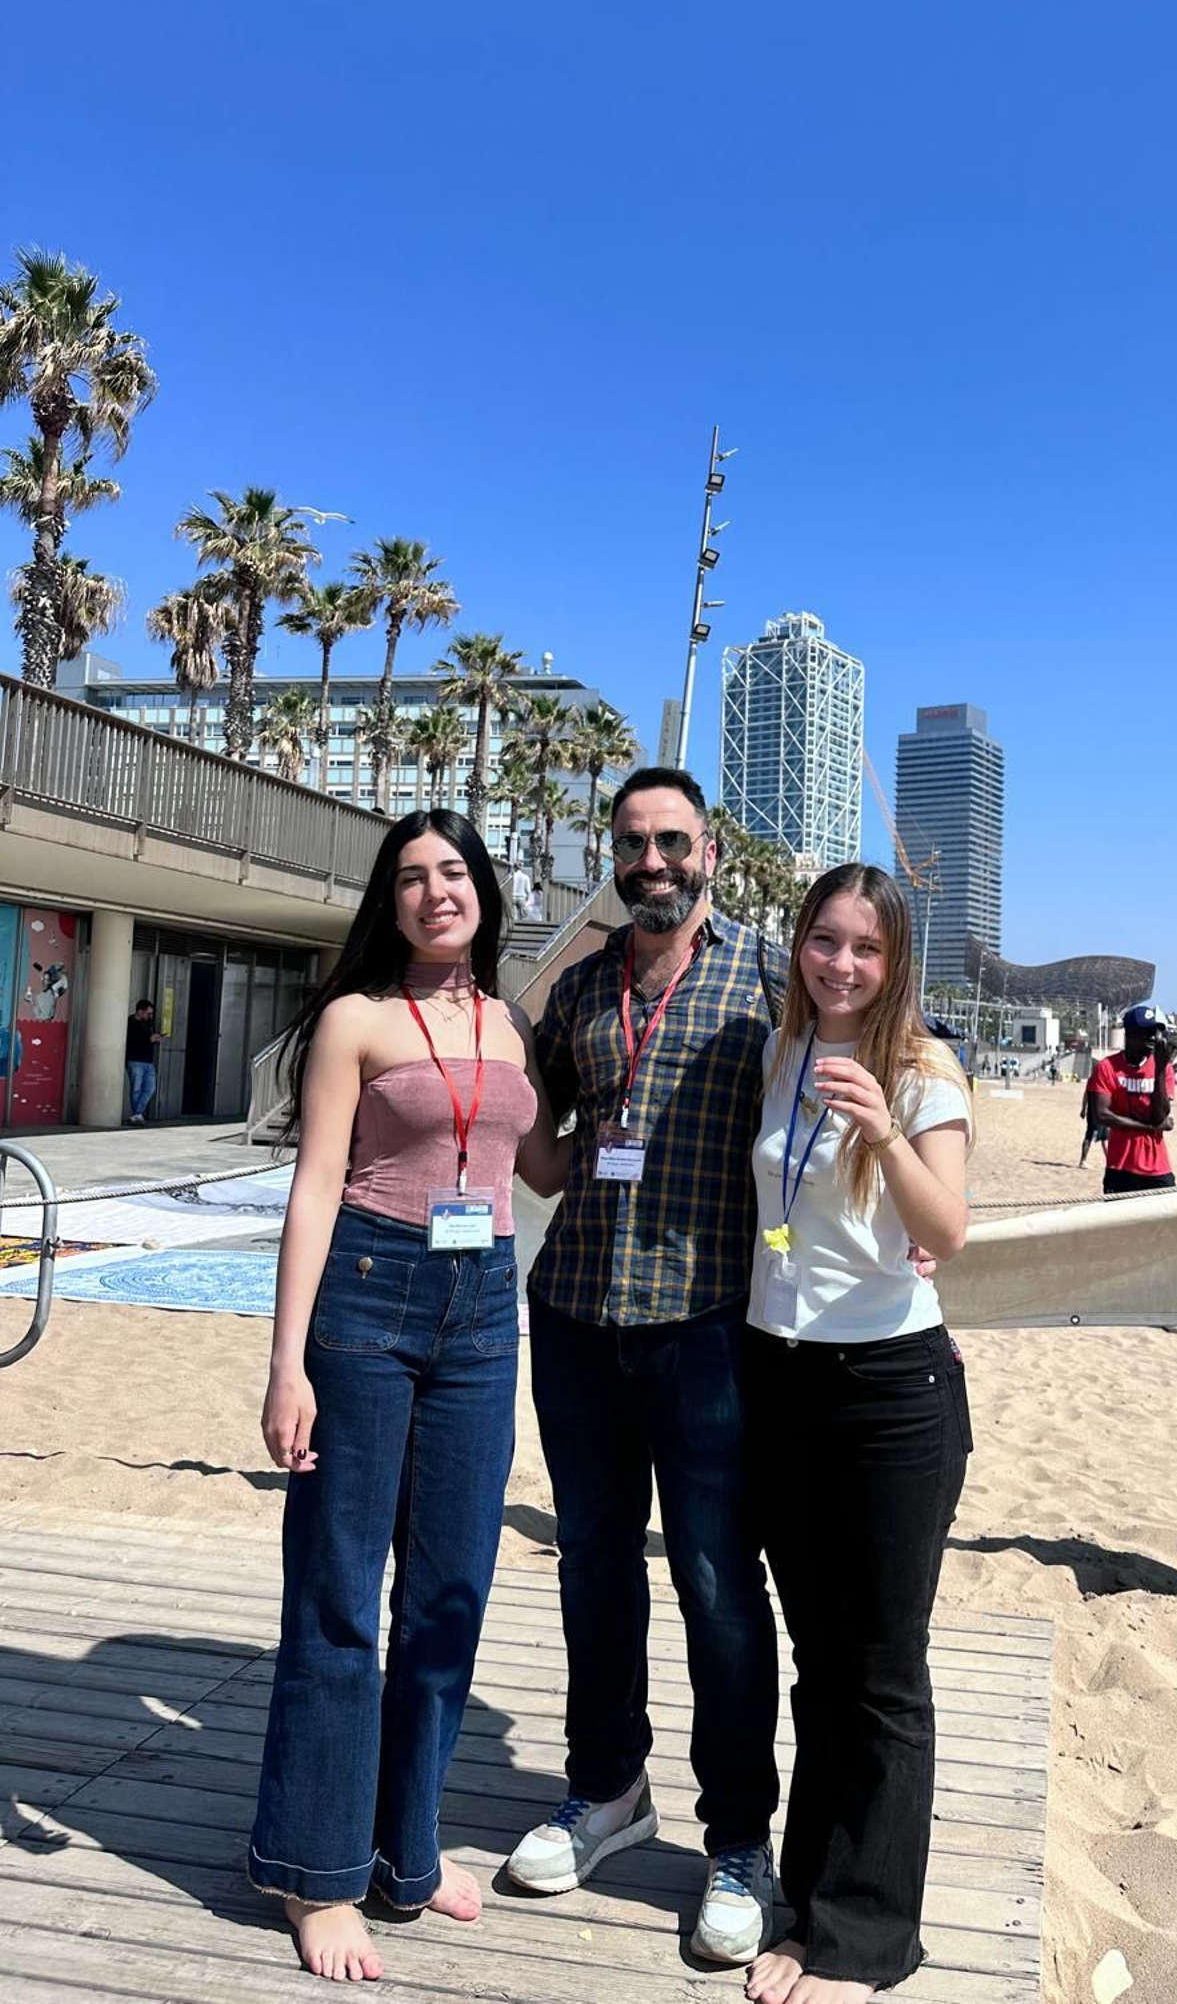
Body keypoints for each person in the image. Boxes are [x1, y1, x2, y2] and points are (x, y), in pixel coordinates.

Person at [248, 810, 567, 1982]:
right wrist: (286, 1365)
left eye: (454, 872)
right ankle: (314, 1874)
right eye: (412, 878)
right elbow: (316, 1185)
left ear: (485, 889)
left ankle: (409, 1853)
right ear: (390, 903)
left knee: (447, 1595)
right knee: (338, 1591)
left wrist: (647, 1112)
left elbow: (540, 1165)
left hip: (485, 1310)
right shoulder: (357, 1020)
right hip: (368, 1301)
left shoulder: (511, 1025)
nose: (437, 892)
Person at [506, 766, 785, 1967]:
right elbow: (545, 1152)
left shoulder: (769, 980)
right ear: (611, 855)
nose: (652, 860)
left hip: (710, 1327)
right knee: (593, 1570)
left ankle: (739, 1841)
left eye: (673, 840)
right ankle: (610, 1788)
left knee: (720, 1585)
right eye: (633, 842)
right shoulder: (575, 989)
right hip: (574, 1316)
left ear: (709, 852)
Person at [743, 862, 973, 2004]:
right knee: (818, 1665)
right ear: (798, 946)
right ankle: (810, 1909)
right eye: (823, 940)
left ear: (895, 964)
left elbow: (951, 1231)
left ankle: (869, 1941)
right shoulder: (779, 1052)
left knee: (882, 1674)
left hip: (891, 1393)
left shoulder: (925, 1071)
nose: (840, 963)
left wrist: (883, 1133)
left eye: (864, 948)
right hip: (780, 1383)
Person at [1086, 1003, 1176, 1194]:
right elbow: (1102, 1115)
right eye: (1146, 1032)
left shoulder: (1163, 1068)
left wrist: (1159, 1070)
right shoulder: (1107, 1067)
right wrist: (1150, 1126)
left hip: (1158, 1167)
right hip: (1121, 1167)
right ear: (1130, 1034)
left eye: (1155, 1032)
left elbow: (1160, 1116)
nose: (1153, 1038)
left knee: (1165, 1223)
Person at [124, 998, 162, 1124]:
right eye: (148, 1013)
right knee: (136, 1088)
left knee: (150, 1088)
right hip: (135, 1059)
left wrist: (155, 1039)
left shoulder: (148, 1023)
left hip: (148, 1060)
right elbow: (133, 1040)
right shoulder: (130, 1023)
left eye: (151, 1014)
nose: (150, 1016)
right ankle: (137, 1115)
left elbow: (148, 1039)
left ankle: (137, 1113)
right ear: (140, 1011)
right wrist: (149, 1039)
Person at [1078, 1078, 1108, 1167]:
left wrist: (1083, 1109)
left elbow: (1086, 1095)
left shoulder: (1093, 1079)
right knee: (1089, 1137)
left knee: (1105, 1138)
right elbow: (1087, 1095)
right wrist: (1083, 1109)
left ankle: (1110, 1163)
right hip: (1096, 1116)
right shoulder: (1098, 1080)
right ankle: (1083, 1161)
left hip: (1102, 1115)